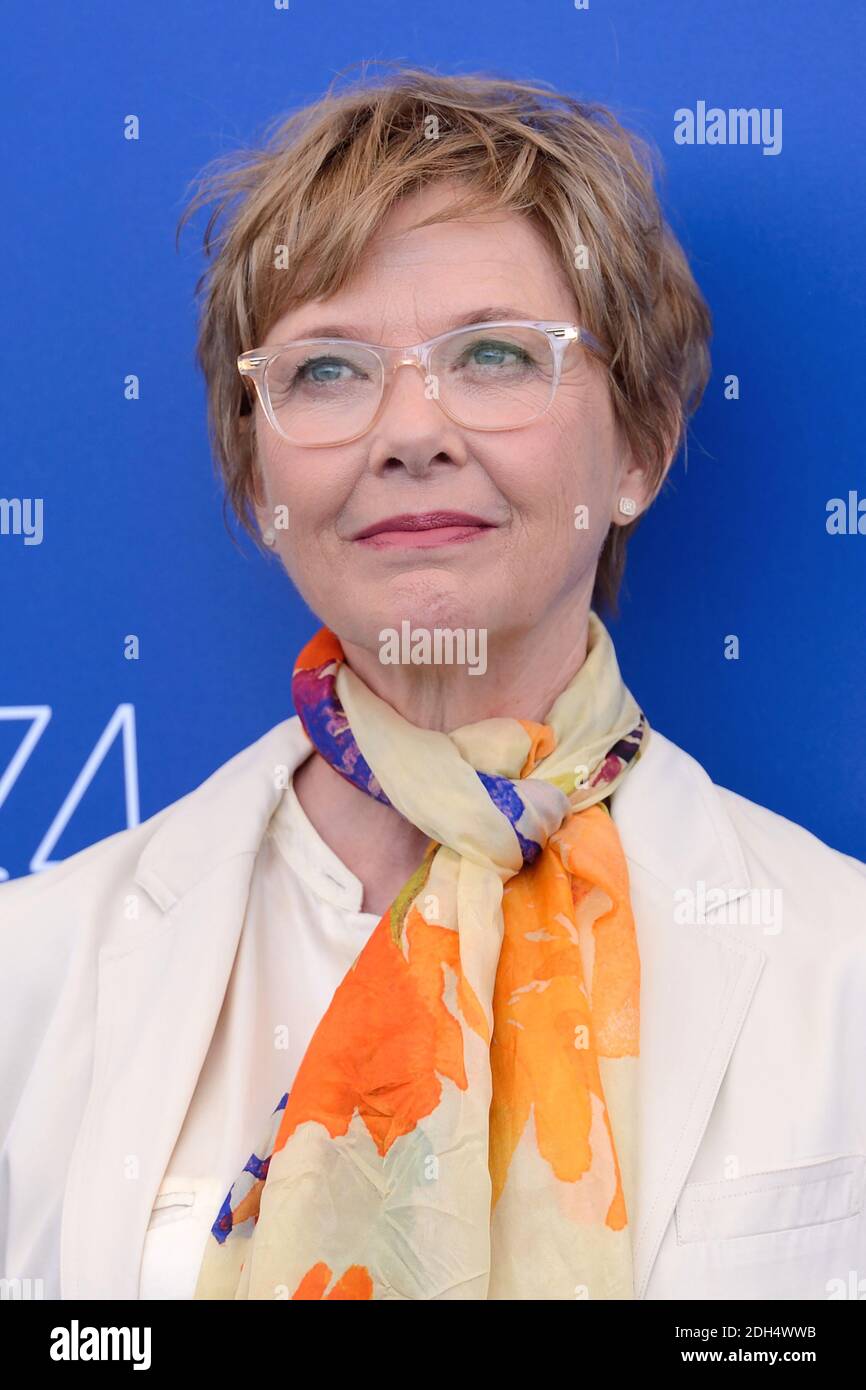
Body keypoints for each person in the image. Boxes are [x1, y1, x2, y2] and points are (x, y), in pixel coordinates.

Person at [2, 66, 865, 1302]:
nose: (410, 430)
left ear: (642, 450)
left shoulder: (841, 968)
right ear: (256, 479)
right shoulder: (31, 972)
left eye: (496, 355)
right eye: (328, 371)